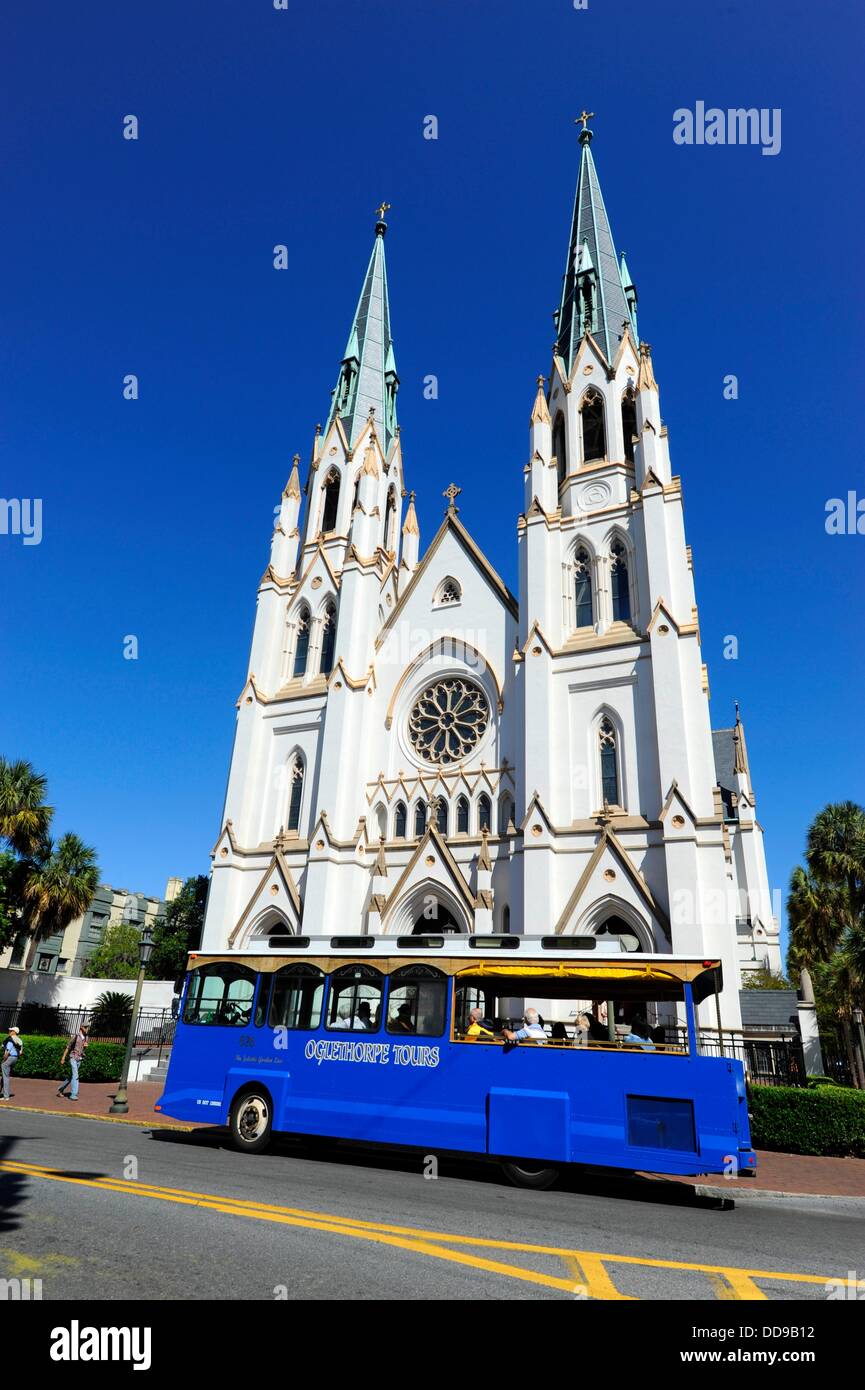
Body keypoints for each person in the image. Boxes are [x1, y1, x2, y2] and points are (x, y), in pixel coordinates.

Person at [58, 1023, 90, 1100]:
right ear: (81, 1027)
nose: (87, 1029)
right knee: (75, 1075)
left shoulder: (86, 1038)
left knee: (71, 1076)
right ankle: (73, 1094)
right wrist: (63, 1058)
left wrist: (85, 1047)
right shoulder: (75, 1036)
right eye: (86, 1027)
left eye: (88, 1027)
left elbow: (82, 1049)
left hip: (79, 1059)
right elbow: (68, 1047)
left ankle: (61, 1089)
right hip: (73, 1058)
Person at [1, 1027, 23, 1099]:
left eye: (11, 1030)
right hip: (15, 1058)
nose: (9, 1031)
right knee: (4, 1077)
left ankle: (6, 1096)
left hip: (9, 1058)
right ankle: (3, 1093)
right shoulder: (19, 1040)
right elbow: (21, 1052)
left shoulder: (10, 1040)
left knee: (5, 1077)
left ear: (14, 1032)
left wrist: (4, 1059)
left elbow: (7, 1051)